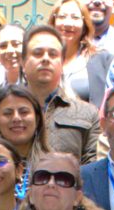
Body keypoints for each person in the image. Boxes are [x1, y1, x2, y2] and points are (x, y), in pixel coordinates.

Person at [21, 24, 104, 161]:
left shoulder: (87, 114)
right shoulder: (1, 111)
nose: (45, 59)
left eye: (53, 54)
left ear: (62, 63)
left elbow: (92, 170)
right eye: (37, 53)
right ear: (23, 62)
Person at [0, 84, 50, 170]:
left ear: (37, 119)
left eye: (24, 112)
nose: (16, 118)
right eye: (8, 113)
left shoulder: (53, 164)